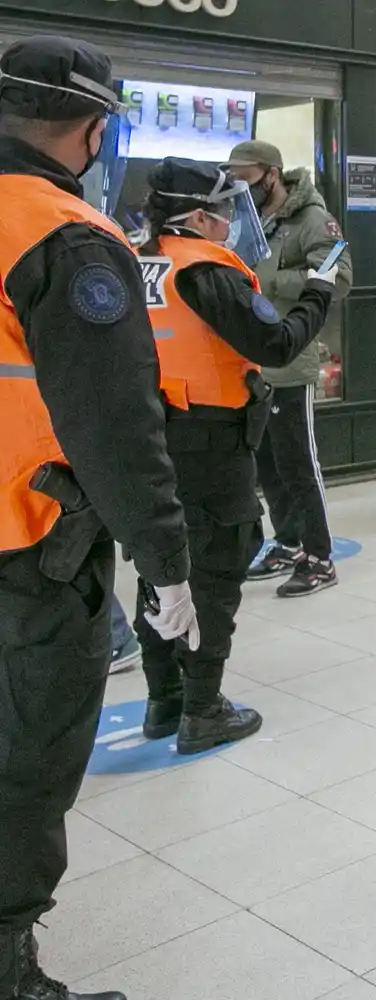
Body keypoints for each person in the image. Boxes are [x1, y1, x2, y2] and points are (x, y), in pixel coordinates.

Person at [0, 35, 199, 1000]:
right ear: (87, 129)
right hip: (28, 554)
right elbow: (118, 429)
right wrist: (166, 564)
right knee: (25, 771)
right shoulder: (63, 235)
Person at [131, 157, 336, 753]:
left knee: (161, 564)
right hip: (209, 440)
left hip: (154, 433)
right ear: (197, 217)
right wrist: (318, 293)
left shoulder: (143, 261)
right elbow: (272, 342)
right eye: (222, 210)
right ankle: (203, 709)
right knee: (215, 569)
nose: (229, 221)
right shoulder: (204, 272)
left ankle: (163, 699)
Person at [223, 140, 352, 598]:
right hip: (253, 362)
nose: (241, 186)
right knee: (269, 466)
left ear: (272, 174)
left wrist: (271, 282)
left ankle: (320, 558)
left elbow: (340, 271)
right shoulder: (246, 220)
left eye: (247, 177)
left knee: (299, 465)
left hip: (291, 360)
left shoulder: (313, 219)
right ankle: (288, 542)